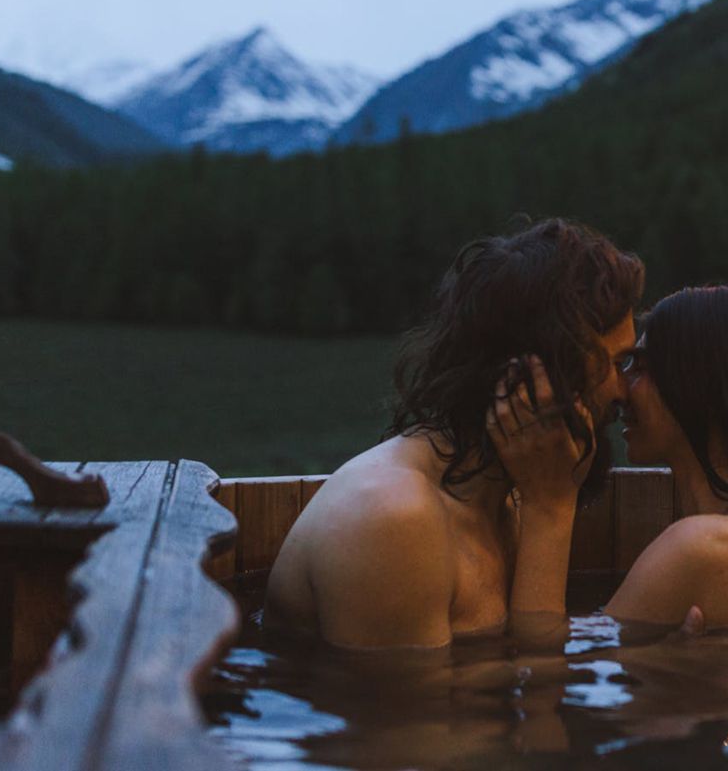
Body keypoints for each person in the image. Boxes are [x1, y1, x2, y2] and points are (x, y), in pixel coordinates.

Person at [263, 218, 642, 649]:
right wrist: (552, 511)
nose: (624, 390)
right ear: (539, 373)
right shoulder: (393, 520)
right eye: (616, 363)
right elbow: (444, 713)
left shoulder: (509, 496)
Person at [496, 283, 728, 632]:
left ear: (706, 385)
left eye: (641, 367)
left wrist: (550, 502)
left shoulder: (703, 546)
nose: (622, 389)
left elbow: (541, 672)